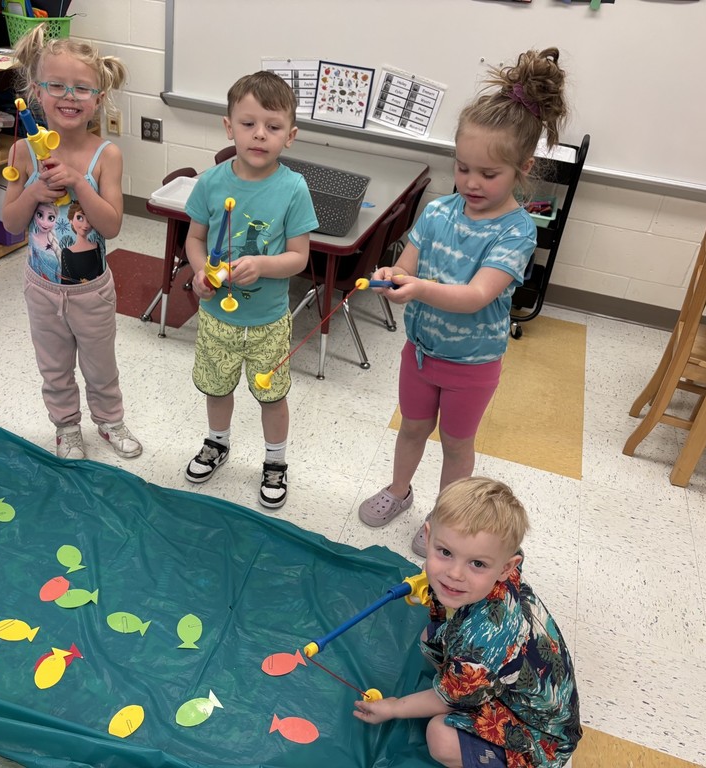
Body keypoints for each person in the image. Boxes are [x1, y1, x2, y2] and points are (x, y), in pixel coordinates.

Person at [357, 48, 568, 556]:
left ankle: (443, 518)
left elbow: (476, 296)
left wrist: (419, 289)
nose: (471, 182)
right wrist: (392, 276)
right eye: (463, 167)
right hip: (420, 353)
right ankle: (399, 491)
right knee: (411, 428)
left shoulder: (516, 231)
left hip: (472, 364)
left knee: (455, 444)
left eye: (488, 174)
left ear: (523, 169)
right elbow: (408, 266)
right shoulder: (438, 212)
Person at [353, 477, 581, 768]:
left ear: (506, 567)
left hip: (541, 738)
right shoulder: (499, 572)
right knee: (431, 638)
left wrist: (394, 707)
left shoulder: (481, 644)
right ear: (429, 537)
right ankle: (468, 686)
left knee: (440, 736)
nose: (455, 574)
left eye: (477, 564)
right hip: (514, 686)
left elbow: (446, 699)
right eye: (445, 552)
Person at [2, 25, 141, 462]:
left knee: (100, 366)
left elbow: (111, 225)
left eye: (82, 88)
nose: (69, 96)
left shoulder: (106, 156)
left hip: (91, 290)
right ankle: (66, 427)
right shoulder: (22, 152)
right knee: (54, 367)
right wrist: (33, 193)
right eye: (56, 85)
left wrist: (80, 183)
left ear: (99, 98)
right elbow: (11, 223)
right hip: (41, 289)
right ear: (36, 92)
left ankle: (110, 421)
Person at [182, 71, 318, 509]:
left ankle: (275, 462)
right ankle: (216, 443)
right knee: (217, 388)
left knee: (272, 398)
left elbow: (299, 257)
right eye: (248, 123)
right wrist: (201, 273)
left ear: (290, 136)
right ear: (229, 127)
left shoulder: (293, 188)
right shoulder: (210, 182)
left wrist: (261, 265)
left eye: (273, 126)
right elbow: (194, 240)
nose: (260, 134)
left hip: (268, 322)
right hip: (217, 319)